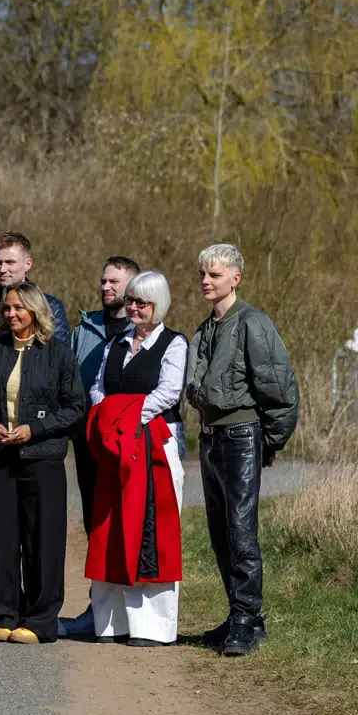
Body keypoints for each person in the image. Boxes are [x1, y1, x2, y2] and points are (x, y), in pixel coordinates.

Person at [185, 244, 300, 657]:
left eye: (214, 275)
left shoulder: (253, 323)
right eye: (202, 274)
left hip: (241, 437)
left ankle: (247, 620)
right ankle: (242, 615)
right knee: (219, 533)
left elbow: (281, 391)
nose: (205, 281)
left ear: (235, 278)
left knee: (240, 530)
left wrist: (268, 442)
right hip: (211, 438)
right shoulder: (205, 329)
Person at [0, 281, 85, 644]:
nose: (10, 313)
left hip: (43, 459)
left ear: (35, 311)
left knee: (43, 541)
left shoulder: (60, 354)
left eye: (18, 307)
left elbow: (75, 408)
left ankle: (39, 620)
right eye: (6, 308)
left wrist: (34, 430)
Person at [85, 271, 187, 647]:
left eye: (141, 302)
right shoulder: (115, 344)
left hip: (156, 446)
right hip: (116, 447)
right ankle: (112, 624)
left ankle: (154, 628)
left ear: (157, 305)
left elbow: (168, 393)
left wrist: (123, 415)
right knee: (111, 529)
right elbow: (98, 388)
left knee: (152, 531)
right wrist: (113, 418)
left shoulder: (174, 344)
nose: (132, 307)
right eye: (130, 300)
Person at [62, 255, 139, 637]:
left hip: (130, 446)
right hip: (90, 443)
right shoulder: (85, 329)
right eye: (103, 280)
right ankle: (100, 610)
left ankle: (134, 612)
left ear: (134, 287)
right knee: (98, 525)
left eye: (115, 281)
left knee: (132, 526)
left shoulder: (148, 330)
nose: (106, 286)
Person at [0, 232, 71, 345]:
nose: (2, 269)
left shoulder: (51, 307)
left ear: (28, 264)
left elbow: (60, 358)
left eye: (10, 262)